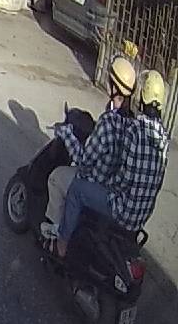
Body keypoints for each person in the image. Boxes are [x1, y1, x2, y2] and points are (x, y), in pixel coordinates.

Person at [56, 69, 169, 257]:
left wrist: (103, 182)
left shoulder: (134, 129)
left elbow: (122, 176)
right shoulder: (163, 138)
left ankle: (62, 243)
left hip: (122, 210)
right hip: (142, 215)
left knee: (77, 189)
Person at [43, 56, 137, 247]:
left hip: (94, 182)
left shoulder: (108, 122)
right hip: (112, 187)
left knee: (56, 177)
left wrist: (67, 134)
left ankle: (56, 232)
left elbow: (83, 161)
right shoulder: (132, 122)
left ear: (113, 86)